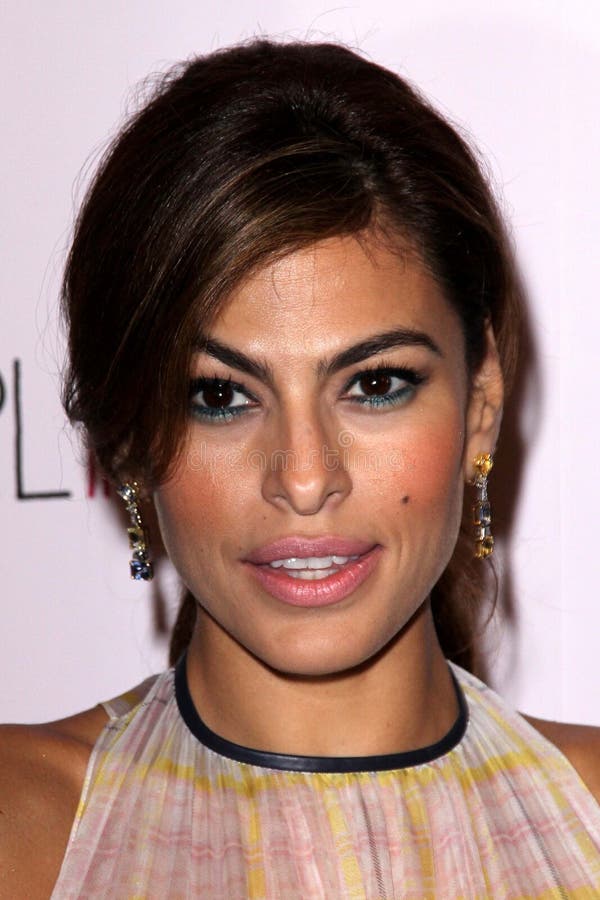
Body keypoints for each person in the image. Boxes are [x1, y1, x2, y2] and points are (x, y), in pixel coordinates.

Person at [1, 38, 599, 899]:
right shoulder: (22, 830)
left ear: (481, 402)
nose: (307, 479)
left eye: (376, 384)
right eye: (219, 396)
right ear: (128, 436)